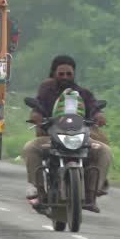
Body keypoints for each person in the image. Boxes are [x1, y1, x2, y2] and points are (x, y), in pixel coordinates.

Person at [23, 55, 112, 213]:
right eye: (61, 73)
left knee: (104, 150)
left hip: (80, 138)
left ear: (74, 74)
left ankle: (91, 196)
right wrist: (36, 116)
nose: (65, 77)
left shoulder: (83, 93)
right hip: (51, 138)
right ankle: (40, 191)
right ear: (54, 73)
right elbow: (37, 108)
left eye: (69, 74)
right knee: (30, 148)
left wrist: (99, 116)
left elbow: (94, 108)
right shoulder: (46, 91)